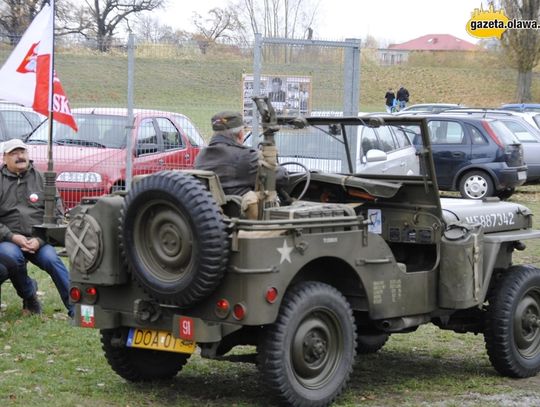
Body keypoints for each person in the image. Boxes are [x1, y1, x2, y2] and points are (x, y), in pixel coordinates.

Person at [0, 138, 72, 317]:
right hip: (8, 240)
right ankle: (29, 293)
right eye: (14, 153)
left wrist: (40, 240)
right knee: (12, 257)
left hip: (39, 239)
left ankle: (76, 309)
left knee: (53, 261)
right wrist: (11, 236)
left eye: (22, 152)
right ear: (5, 158)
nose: (20, 156)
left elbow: (57, 214)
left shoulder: (43, 179)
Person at [194, 111, 288, 216]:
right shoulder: (245, 156)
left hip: (211, 220)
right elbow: (281, 177)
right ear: (240, 134)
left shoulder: (200, 157)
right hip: (242, 223)